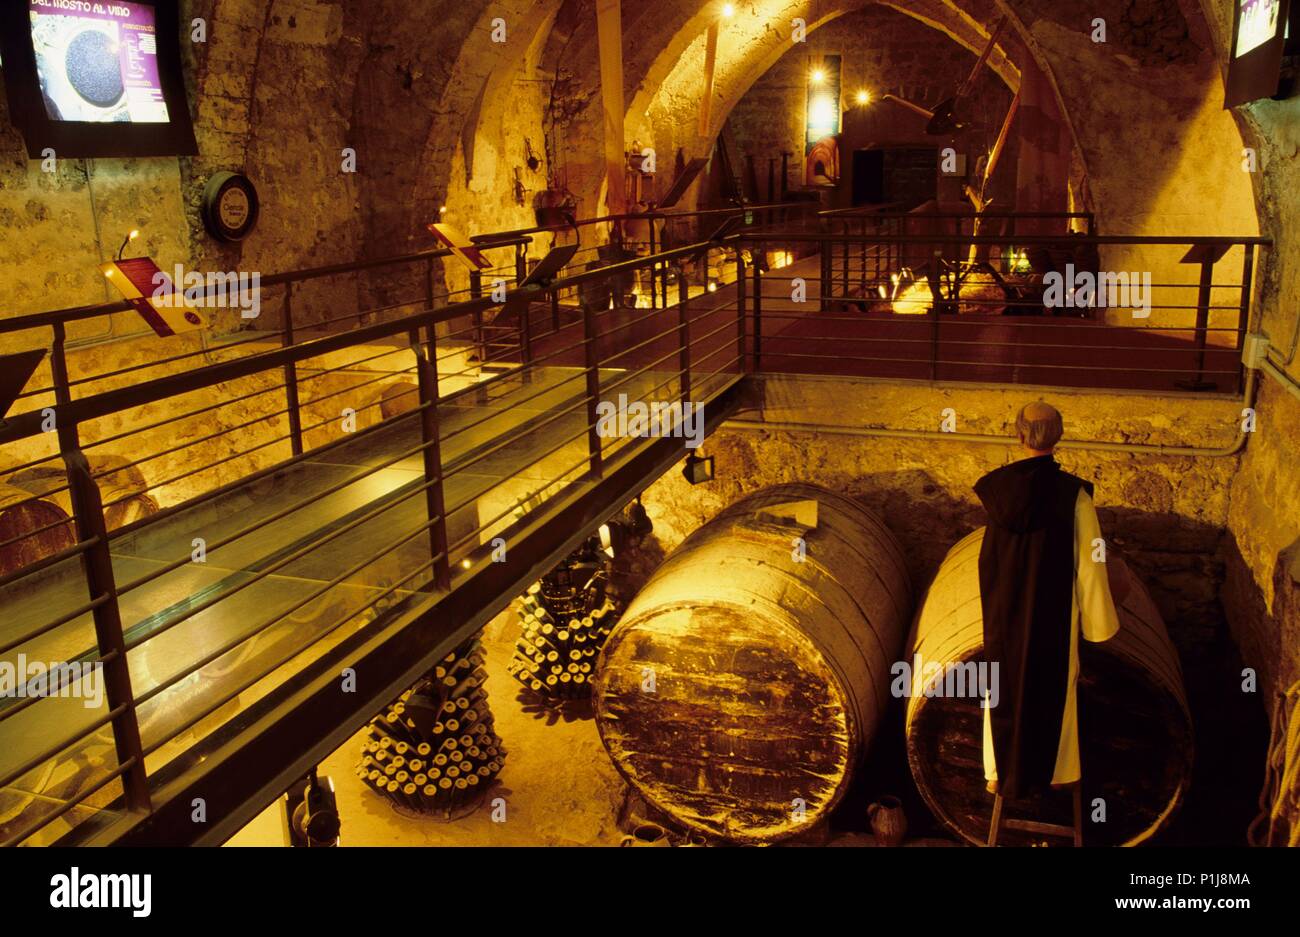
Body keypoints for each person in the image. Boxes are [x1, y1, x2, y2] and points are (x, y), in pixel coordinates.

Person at [973, 401, 1120, 799]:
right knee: (1056, 689)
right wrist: (1098, 625)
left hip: (1007, 612)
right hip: (1053, 612)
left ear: (1019, 435)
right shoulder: (1074, 497)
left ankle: (996, 772)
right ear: (1059, 435)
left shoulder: (997, 491)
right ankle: (1057, 770)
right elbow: (1091, 562)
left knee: (1000, 690)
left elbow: (991, 557)